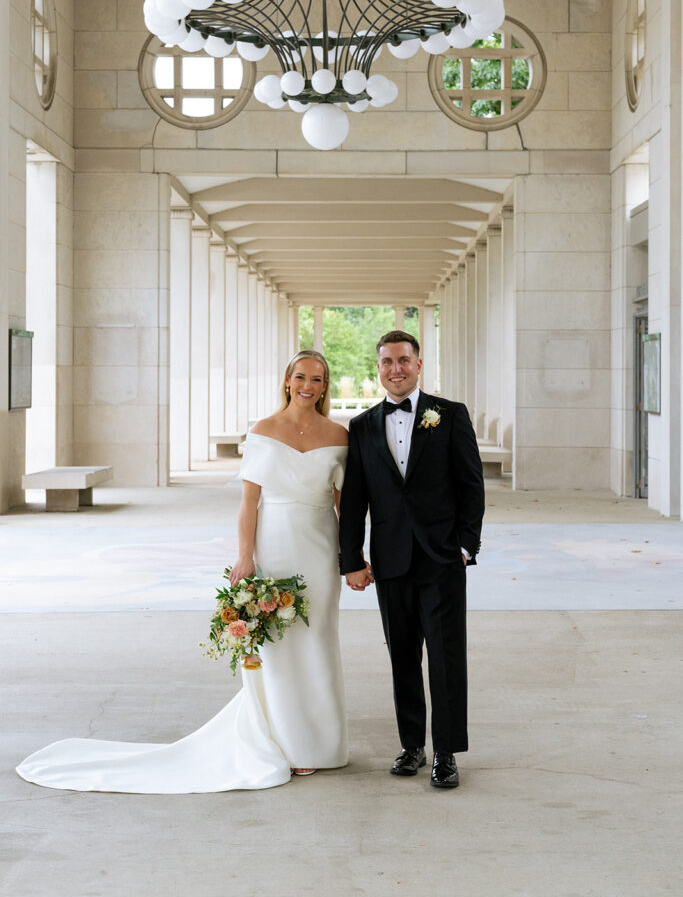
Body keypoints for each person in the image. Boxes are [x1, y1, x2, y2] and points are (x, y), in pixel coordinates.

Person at [16, 350, 349, 793]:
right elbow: (249, 503)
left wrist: (354, 558)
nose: (308, 385)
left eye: (317, 379)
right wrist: (246, 556)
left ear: (325, 386)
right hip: (276, 544)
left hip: (320, 545)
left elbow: (345, 503)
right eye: (300, 376)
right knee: (280, 643)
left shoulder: (339, 436)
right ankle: (288, 743)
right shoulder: (263, 432)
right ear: (287, 381)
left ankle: (323, 744)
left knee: (319, 637)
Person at [339, 330, 484, 789]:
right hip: (390, 560)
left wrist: (466, 546)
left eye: (403, 360)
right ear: (378, 368)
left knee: (445, 657)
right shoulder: (361, 427)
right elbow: (355, 500)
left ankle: (445, 752)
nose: (395, 369)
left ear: (419, 364)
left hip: (442, 557)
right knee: (401, 655)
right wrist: (351, 560)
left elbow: (471, 485)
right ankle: (412, 746)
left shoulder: (450, 415)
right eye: (386, 362)